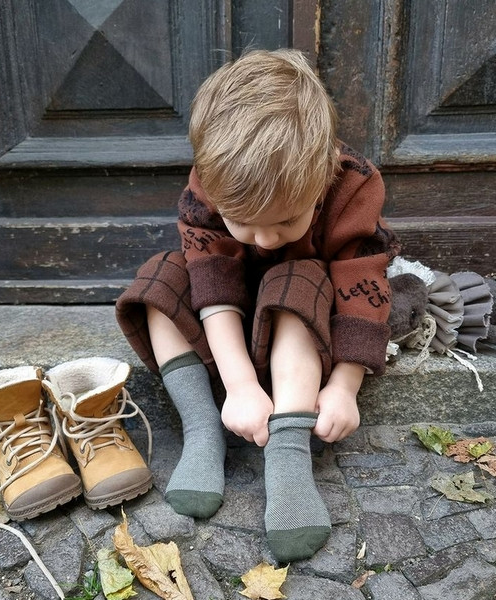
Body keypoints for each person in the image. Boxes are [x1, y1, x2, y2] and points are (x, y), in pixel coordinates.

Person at [116, 48, 399, 562]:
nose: (265, 239)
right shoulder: (211, 178)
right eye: (242, 223)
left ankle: (288, 457)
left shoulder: (352, 184)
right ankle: (203, 429)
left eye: (287, 221)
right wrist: (241, 386)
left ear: (320, 177)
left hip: (302, 328)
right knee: (159, 277)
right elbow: (212, 282)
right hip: (228, 329)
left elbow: (363, 284)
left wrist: (344, 386)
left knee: (295, 275)